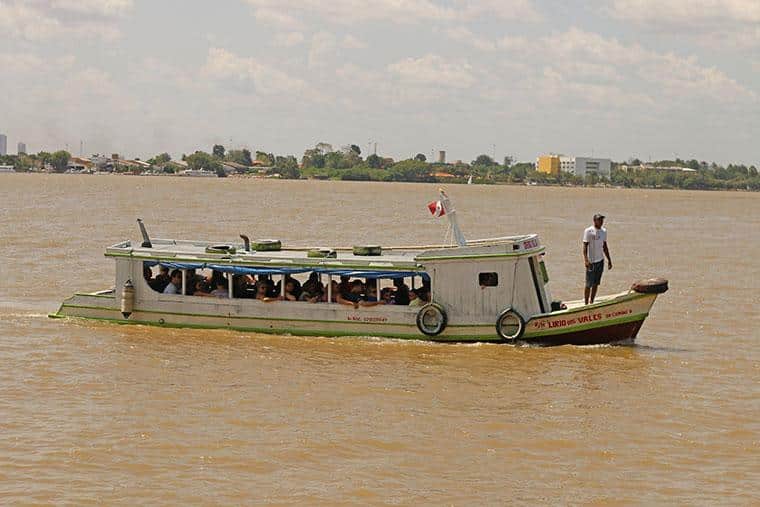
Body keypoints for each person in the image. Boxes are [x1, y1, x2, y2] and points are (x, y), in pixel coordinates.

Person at [582, 213, 613, 304]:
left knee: (596, 283)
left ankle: (592, 301)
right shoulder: (588, 231)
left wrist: (609, 260)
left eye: (602, 220)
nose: (601, 222)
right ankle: (586, 303)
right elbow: (585, 246)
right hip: (591, 262)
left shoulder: (604, 231)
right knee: (588, 284)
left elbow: (605, 247)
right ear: (594, 221)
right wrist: (586, 260)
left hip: (600, 261)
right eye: (599, 220)